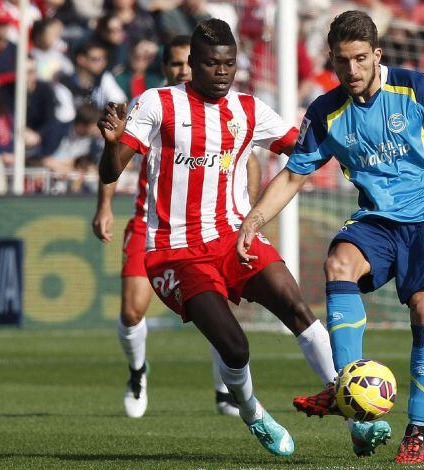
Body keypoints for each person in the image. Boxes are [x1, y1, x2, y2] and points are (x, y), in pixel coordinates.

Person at [236, 10, 424, 464]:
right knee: (338, 263)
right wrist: (254, 220)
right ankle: (344, 390)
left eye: (360, 59)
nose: (352, 71)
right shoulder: (325, 111)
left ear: (377, 55)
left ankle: (418, 429)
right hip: (376, 219)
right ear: (332, 61)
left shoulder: (415, 89)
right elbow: (294, 176)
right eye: (342, 61)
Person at [97, 19, 336, 457]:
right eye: (211, 64)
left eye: (229, 64)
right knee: (234, 343)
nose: (222, 72)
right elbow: (113, 170)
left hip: (232, 237)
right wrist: (111, 146)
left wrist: (341, 139)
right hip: (174, 251)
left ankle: (346, 400)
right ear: (192, 65)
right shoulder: (158, 104)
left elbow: (303, 151)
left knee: (296, 305)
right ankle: (252, 412)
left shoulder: (248, 109)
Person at [92, 34, 254, 418]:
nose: (182, 69)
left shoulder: (224, 108)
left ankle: (224, 392)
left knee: (219, 311)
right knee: (132, 311)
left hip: (210, 226)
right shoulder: (153, 106)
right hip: (151, 223)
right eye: (176, 64)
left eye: (187, 63)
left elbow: (247, 157)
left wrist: (247, 207)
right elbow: (116, 158)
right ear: (165, 68)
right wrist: (104, 207)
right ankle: (137, 372)